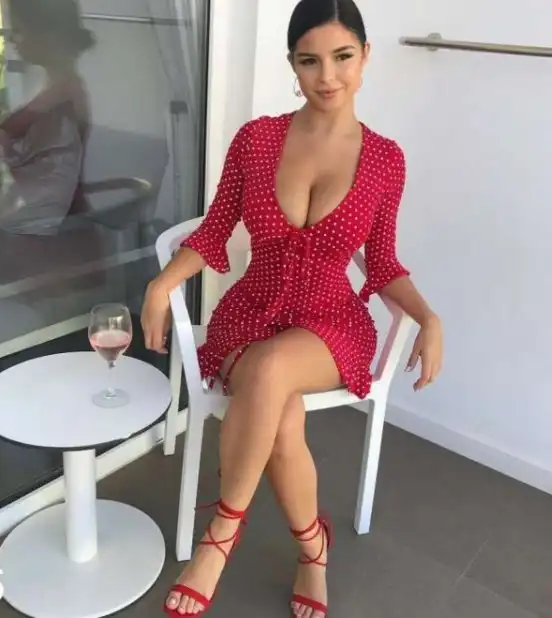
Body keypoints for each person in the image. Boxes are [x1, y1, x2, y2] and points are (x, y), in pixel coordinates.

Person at [141, 0, 444, 616]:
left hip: (331, 323)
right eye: (310, 61)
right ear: (292, 65)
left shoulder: (385, 159)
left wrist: (429, 317)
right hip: (251, 311)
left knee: (272, 368)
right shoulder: (256, 140)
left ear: (365, 57)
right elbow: (215, 230)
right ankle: (313, 551)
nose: (327, 76)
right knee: (279, 412)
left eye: (342, 57)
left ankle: (219, 537)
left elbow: (382, 263)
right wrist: (160, 285)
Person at [0, 0, 98, 292]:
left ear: (48, 32)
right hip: (44, 226)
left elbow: (45, 183)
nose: (11, 39)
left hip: (51, 239)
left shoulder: (62, 95)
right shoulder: (55, 89)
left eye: (18, 29)